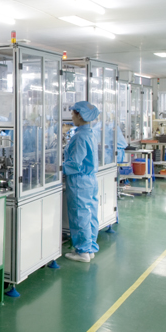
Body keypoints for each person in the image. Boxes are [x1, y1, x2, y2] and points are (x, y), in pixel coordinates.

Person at [64, 101, 100, 263]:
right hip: (90, 179)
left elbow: (75, 163)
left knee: (80, 215)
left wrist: (59, 168)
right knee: (90, 214)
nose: (71, 117)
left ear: (80, 115)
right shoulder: (89, 133)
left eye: (73, 114)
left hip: (79, 180)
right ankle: (89, 247)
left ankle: (83, 251)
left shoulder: (79, 137)